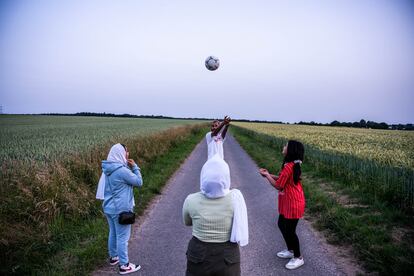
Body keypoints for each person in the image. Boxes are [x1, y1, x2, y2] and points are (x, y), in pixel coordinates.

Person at [182, 155, 248, 276]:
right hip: (228, 255)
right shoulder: (235, 199)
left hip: (198, 253)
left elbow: (187, 222)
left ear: (203, 176)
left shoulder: (190, 200)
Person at [96, 143, 143, 275]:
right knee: (123, 237)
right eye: (125, 152)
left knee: (113, 232)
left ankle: (114, 257)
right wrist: (135, 167)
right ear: (119, 154)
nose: (127, 154)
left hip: (109, 207)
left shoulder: (108, 169)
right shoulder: (122, 171)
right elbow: (139, 182)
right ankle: (124, 265)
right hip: (120, 210)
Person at [259, 140, 305, 270]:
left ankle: (298, 257)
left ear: (290, 151)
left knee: (290, 231)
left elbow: (279, 185)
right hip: (288, 201)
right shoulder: (289, 165)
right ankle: (290, 250)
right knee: (281, 224)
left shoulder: (289, 166)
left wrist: (267, 175)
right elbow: (282, 178)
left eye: (286, 146)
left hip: (293, 202)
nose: (283, 147)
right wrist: (268, 174)